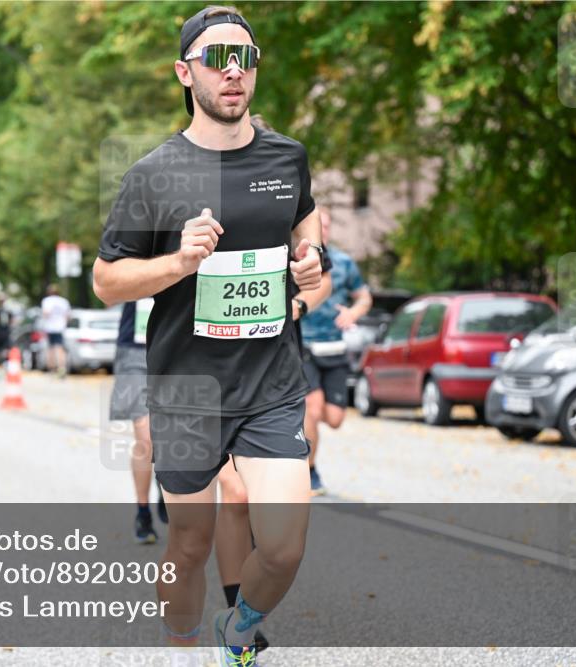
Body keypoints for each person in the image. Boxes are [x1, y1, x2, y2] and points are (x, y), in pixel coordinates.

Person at [93, 6, 332, 665]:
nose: (234, 71)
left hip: (270, 383)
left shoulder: (287, 157)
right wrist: (177, 262)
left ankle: (237, 628)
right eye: (216, 58)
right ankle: (179, 644)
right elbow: (107, 280)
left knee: (283, 545)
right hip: (187, 389)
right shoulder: (153, 174)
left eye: (245, 58)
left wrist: (312, 263)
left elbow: (308, 231)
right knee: (190, 542)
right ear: (183, 72)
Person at [299, 206, 372, 495]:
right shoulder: (300, 259)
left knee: (335, 418)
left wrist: (354, 313)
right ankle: (310, 470)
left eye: (327, 226)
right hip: (305, 345)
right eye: (320, 225)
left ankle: (302, 444)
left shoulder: (343, 262)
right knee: (312, 409)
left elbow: (364, 297)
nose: (324, 231)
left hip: (335, 348)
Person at [110, 299, 168, 544]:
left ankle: (166, 484)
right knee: (146, 439)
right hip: (136, 350)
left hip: (178, 347)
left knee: (172, 438)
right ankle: (142, 513)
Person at [40, 284, 71, 376]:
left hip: (50, 327)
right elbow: (68, 316)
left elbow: (45, 314)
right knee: (60, 349)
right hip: (60, 327)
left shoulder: (46, 301)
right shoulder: (63, 301)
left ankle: (52, 369)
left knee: (51, 349)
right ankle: (62, 368)